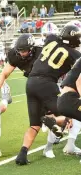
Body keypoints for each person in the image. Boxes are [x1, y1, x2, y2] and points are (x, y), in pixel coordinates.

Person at [15, 25, 81, 165]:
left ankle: (22, 153)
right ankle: (52, 121)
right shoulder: (75, 55)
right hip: (47, 83)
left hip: (31, 82)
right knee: (69, 114)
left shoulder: (51, 39)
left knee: (34, 124)